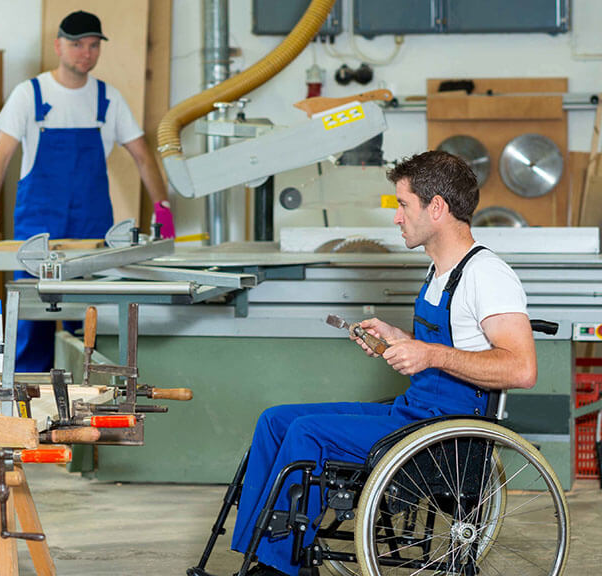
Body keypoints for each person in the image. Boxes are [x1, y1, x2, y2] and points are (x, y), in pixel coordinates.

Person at [229, 150, 538, 576]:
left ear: (437, 207)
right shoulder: (440, 271)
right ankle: (258, 554)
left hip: (443, 434)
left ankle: (279, 568)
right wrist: (403, 342)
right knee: (275, 420)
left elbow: (521, 368)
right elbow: (451, 348)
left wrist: (428, 354)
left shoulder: (487, 275)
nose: (396, 217)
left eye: (403, 204)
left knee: (307, 433)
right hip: (414, 412)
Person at [0, 10, 174, 372]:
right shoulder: (29, 95)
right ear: (58, 45)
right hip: (36, 236)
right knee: (32, 327)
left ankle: (87, 409)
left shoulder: (107, 99)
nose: (86, 53)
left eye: (94, 45)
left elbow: (143, 155)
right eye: (77, 44)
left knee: (90, 331)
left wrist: (162, 206)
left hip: (92, 237)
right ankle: (27, 414)